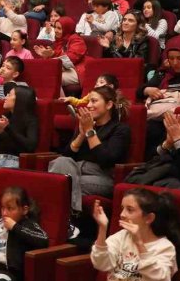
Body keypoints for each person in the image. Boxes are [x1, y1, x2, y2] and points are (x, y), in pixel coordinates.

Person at [48, 86, 131, 236]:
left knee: (62, 182)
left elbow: (106, 159)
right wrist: (81, 134)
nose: (89, 105)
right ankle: (69, 221)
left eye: (94, 101)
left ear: (109, 105)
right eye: (89, 101)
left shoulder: (120, 129)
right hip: (76, 170)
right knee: (61, 164)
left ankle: (67, 219)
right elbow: (66, 156)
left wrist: (90, 132)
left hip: (102, 177)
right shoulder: (85, 124)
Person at [33, 16, 87, 88]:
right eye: (55, 27)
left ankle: (57, 99)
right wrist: (46, 56)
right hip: (62, 69)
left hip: (76, 70)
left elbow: (70, 59)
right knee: (39, 74)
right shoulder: (59, 40)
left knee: (50, 78)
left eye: (59, 28)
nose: (55, 30)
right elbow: (56, 59)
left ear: (67, 29)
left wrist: (52, 54)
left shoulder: (77, 40)